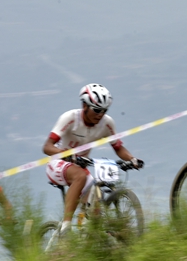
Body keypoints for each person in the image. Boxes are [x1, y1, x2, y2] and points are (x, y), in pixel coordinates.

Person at [43, 83, 143, 234]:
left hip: (80, 165)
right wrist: (66, 154)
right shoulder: (70, 118)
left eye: (104, 110)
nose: (100, 114)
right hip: (58, 163)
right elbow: (47, 147)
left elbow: (118, 147)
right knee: (80, 176)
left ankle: (86, 237)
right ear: (84, 106)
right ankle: (66, 227)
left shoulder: (107, 123)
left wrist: (132, 159)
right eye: (96, 110)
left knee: (96, 210)